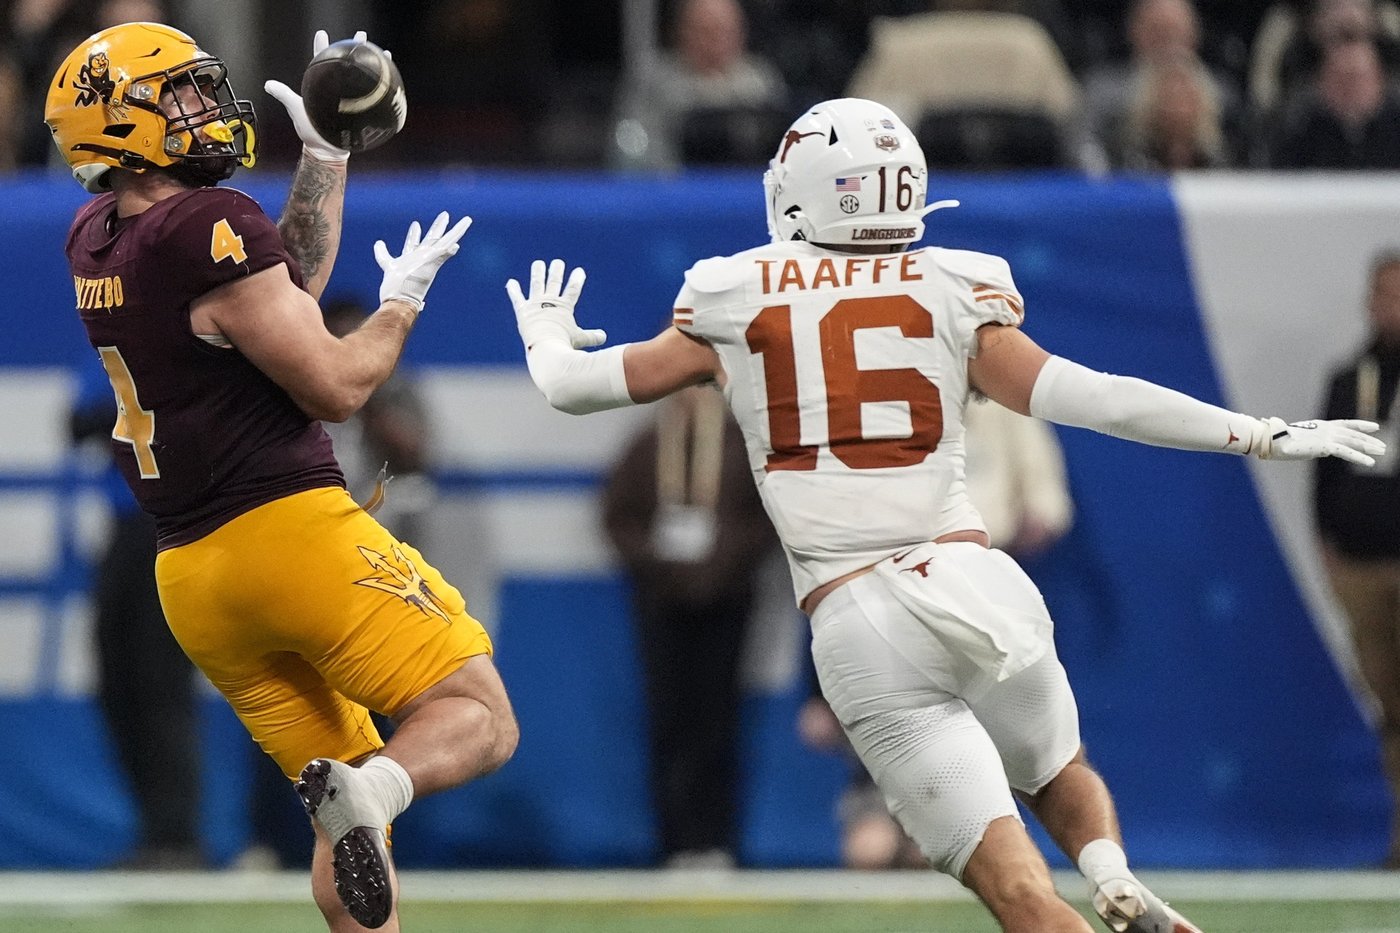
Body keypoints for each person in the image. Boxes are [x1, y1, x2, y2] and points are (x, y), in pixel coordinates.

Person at [505, 97, 1385, 933]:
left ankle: (1083, 897)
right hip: (975, 579)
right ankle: (1112, 870)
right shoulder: (956, 284)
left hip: (858, 617)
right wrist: (1258, 434)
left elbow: (574, 389)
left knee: (1018, 895)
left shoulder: (735, 292)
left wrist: (548, 332)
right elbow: (1098, 398)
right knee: (1058, 770)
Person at [45, 22, 517, 931]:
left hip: (192, 574)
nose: (204, 110)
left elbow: (275, 287)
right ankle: (378, 786)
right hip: (289, 533)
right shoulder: (207, 225)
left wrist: (323, 158)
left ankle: (366, 796)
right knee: (477, 715)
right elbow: (335, 383)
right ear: (115, 125)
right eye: (176, 96)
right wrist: (399, 306)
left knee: (344, 815)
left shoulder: (94, 234)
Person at [601, 383, 781, 867]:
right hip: (662, 605)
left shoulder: (739, 444)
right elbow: (618, 517)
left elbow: (765, 520)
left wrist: (721, 567)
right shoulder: (648, 443)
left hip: (726, 602)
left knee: (719, 722)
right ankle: (674, 844)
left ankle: (717, 842)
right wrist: (659, 566)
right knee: (669, 722)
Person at [70, 370, 205, 870]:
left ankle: (178, 835)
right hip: (123, 529)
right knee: (117, 682)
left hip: (171, 522)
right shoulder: (107, 346)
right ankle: (155, 829)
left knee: (160, 683)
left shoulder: (173, 337)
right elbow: (80, 423)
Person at [1314, 250, 1400, 870]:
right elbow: (1325, 476)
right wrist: (1333, 559)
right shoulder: (1352, 380)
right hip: (1365, 571)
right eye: (1384, 295)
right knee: (1391, 708)